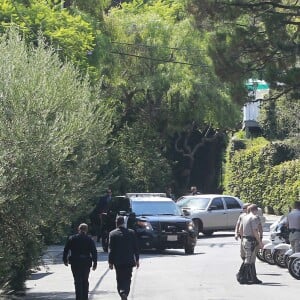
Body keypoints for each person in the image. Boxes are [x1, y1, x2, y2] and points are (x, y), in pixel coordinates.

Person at [63, 223, 97, 300]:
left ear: (78, 229)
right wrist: (95, 263)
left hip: (75, 262)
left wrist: (65, 260)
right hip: (86, 262)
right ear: (86, 230)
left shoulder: (72, 238)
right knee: (85, 280)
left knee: (77, 281)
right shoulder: (89, 239)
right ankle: (85, 297)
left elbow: (66, 249)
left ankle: (79, 297)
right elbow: (94, 252)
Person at [108, 216, 140, 300]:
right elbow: (135, 247)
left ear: (116, 223)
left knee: (119, 278)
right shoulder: (131, 232)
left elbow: (111, 249)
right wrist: (137, 259)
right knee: (128, 278)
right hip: (129, 261)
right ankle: (125, 292)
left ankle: (122, 292)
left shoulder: (112, 234)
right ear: (124, 223)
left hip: (118, 262)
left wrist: (110, 262)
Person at [237, 204, 264, 284]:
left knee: (250, 260)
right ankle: (241, 276)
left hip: (245, 239)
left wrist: (242, 239)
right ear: (255, 210)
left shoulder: (244, 217)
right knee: (249, 260)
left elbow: (240, 230)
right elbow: (255, 231)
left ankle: (252, 277)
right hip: (251, 240)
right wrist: (260, 241)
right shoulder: (254, 218)